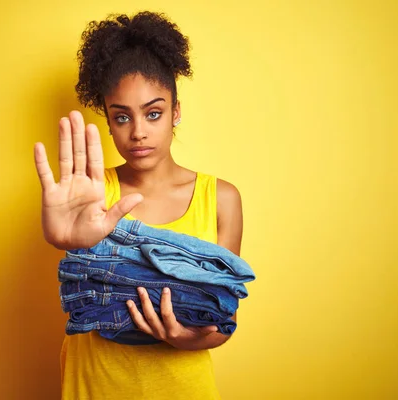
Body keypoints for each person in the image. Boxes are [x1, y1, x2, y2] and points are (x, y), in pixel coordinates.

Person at [34, 11, 243, 400]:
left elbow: (224, 318)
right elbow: (77, 290)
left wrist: (184, 338)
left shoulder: (221, 198)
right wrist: (63, 239)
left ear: (175, 112)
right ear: (109, 123)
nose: (138, 132)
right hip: (95, 384)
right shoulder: (89, 191)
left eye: (153, 113)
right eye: (122, 117)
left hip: (182, 389)